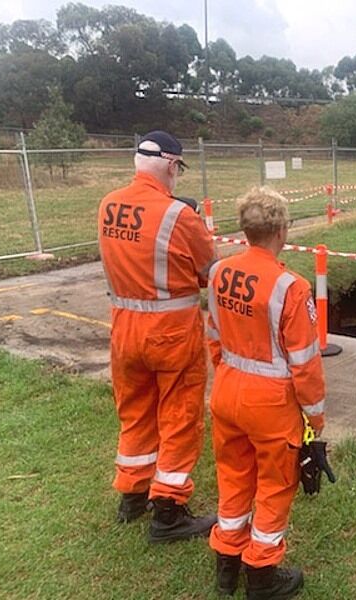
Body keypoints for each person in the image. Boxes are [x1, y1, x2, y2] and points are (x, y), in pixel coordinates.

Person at [206, 188, 326, 598]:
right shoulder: (292, 287)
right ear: (282, 230)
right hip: (271, 403)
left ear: (246, 229)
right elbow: (305, 362)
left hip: (226, 389)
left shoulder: (219, 272)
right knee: (274, 486)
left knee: (233, 476)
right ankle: (261, 574)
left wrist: (226, 373)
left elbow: (213, 336)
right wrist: (315, 416)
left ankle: (227, 562)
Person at [98, 130, 217, 543]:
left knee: (135, 412)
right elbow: (207, 272)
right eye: (178, 170)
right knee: (180, 417)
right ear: (170, 165)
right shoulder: (179, 216)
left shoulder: (108, 205)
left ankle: (132, 494)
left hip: (124, 331)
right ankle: (169, 511)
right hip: (170, 335)